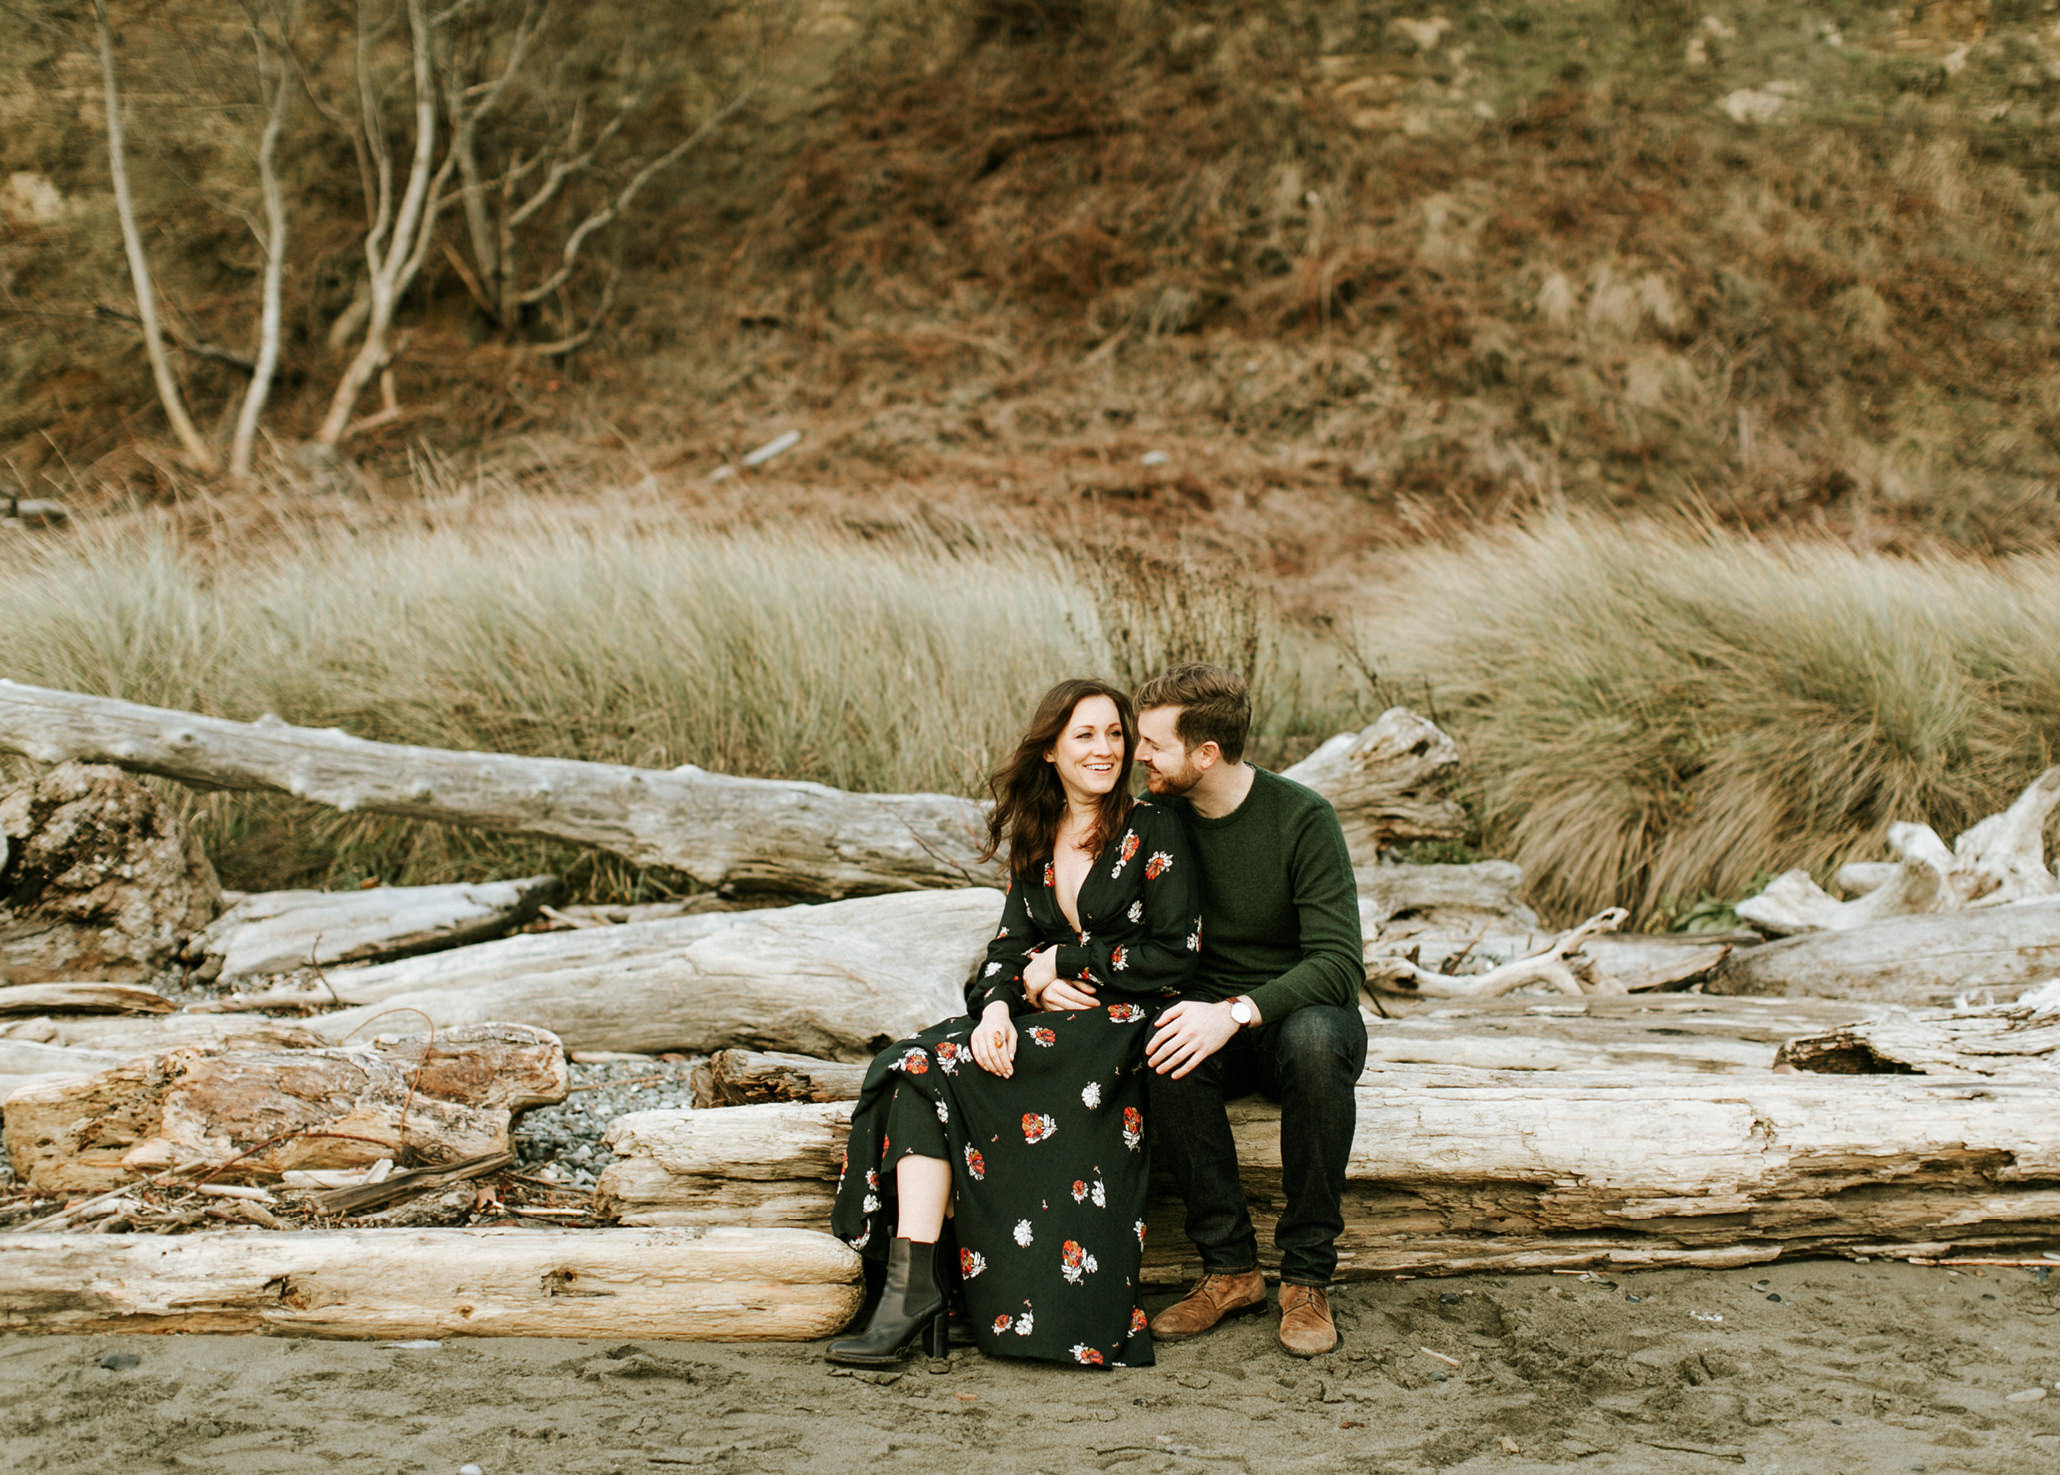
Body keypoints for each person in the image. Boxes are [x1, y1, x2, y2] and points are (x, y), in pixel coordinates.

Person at [826, 678, 1200, 1368]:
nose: (1105, 748)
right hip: (1045, 1029)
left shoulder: (1154, 826)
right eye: (1085, 734)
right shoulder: (1037, 834)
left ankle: (923, 1296)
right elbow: (1004, 950)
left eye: (1115, 733)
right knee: (914, 1068)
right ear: (1052, 749)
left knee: (927, 1066)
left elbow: (1174, 954)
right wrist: (997, 1007)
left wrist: (1062, 960)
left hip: (1121, 1033)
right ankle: (912, 1293)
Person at [1131, 662, 1367, 1358]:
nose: (1136, 754)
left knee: (1320, 1040)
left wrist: (1235, 1011)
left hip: (1294, 1017)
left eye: (1152, 743)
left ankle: (1306, 1277)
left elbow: (1338, 964)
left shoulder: (1301, 818)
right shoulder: (1157, 818)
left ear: (1206, 754)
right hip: (1208, 1023)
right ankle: (1231, 1269)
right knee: (1161, 1043)